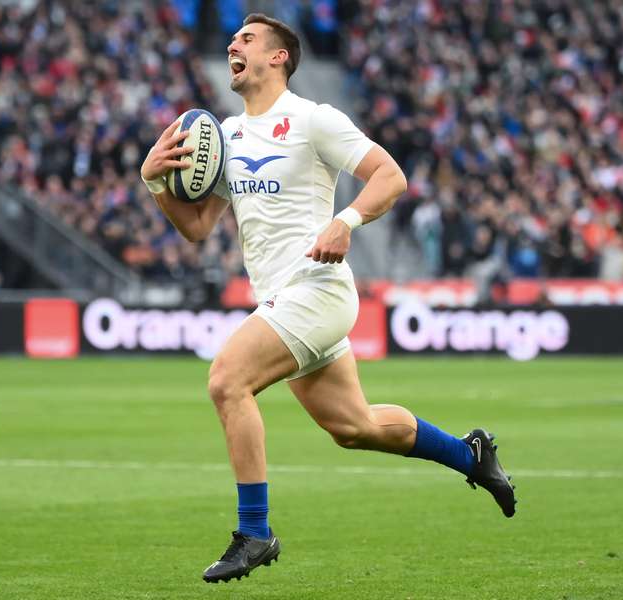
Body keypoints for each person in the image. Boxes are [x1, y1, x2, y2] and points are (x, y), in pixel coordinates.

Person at [139, 14, 516, 584]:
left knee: (226, 380)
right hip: (283, 301)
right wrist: (155, 183)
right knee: (354, 426)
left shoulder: (313, 120)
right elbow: (196, 228)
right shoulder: (227, 136)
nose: (231, 46)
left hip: (317, 289)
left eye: (246, 40)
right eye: (232, 40)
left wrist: (346, 220)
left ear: (279, 57)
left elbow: (390, 177)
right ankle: (472, 455)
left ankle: (254, 532)